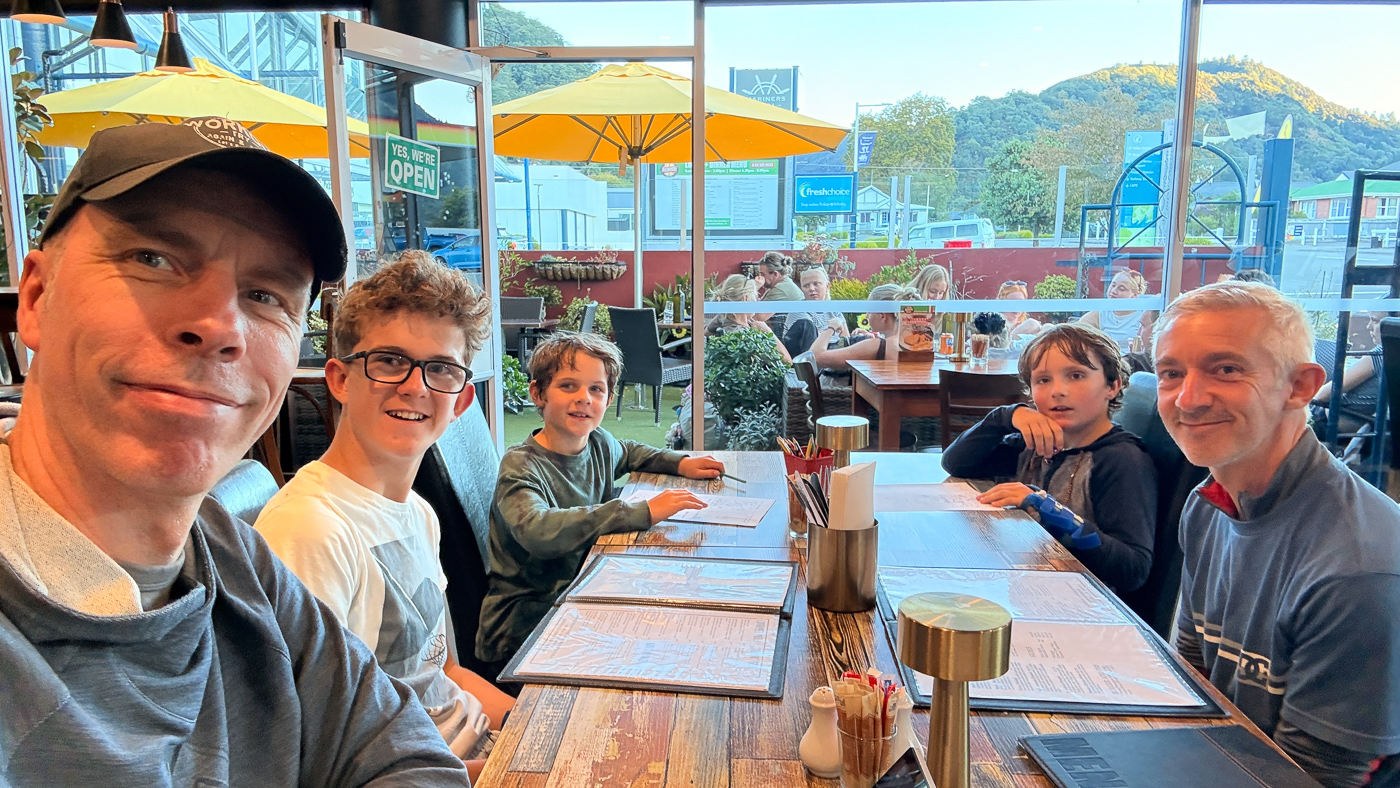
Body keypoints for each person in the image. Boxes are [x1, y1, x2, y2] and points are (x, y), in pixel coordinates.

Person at [0, 119, 470, 785]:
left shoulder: (233, 558)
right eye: (152, 259)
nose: (220, 326)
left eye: (265, 295)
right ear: (36, 298)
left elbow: (401, 746)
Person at [255, 252, 514, 781]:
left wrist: (541, 727)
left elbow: (445, 672)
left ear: (461, 401)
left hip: (477, 749)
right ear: (340, 378)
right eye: (390, 360)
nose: (416, 386)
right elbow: (316, 757)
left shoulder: (419, 513)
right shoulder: (310, 530)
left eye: (440, 368)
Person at [1154, 282, 1400, 787]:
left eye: (1226, 369)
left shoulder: (1358, 568)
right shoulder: (1206, 506)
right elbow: (1194, 678)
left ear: (1300, 386)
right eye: (1171, 373)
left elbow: (1316, 777)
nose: (1188, 399)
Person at [477, 332, 726, 676]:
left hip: (581, 590)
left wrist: (680, 463)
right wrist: (641, 511)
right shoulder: (520, 466)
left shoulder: (598, 443)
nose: (584, 398)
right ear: (538, 393)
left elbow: (630, 451)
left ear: (608, 400)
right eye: (568, 386)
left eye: (596, 389)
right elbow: (538, 531)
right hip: (524, 621)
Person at [941, 323, 1156, 593]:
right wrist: (1006, 416)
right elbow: (957, 463)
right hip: (1027, 580)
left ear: (1112, 386)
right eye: (1043, 380)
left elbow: (1132, 569)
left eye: (1076, 375)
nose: (1057, 391)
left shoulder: (1122, 460)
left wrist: (1046, 509)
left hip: (1082, 602)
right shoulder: (1034, 445)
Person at [811, 284, 917, 370]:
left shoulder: (877, 346)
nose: (866, 316)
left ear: (882, 316)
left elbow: (814, 357)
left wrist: (830, 328)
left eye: (869, 311)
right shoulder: (918, 343)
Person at [706, 274, 792, 363]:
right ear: (746, 298)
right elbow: (787, 361)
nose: (756, 302)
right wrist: (767, 332)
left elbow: (705, 335)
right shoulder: (746, 336)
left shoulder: (721, 318)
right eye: (755, 297)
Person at [1078, 269, 1153, 352]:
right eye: (1113, 285)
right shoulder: (1100, 313)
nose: (1113, 291)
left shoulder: (1143, 316)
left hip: (1133, 359)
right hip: (1107, 358)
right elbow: (1078, 332)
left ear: (1135, 295)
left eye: (1121, 289)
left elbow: (1146, 345)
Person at [782, 266, 847, 357]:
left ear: (827, 286)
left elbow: (846, 338)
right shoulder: (799, 310)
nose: (811, 289)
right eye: (806, 286)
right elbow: (814, 342)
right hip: (808, 357)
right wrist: (832, 328)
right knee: (806, 324)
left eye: (816, 284)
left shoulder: (834, 310)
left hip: (833, 355)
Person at [993, 280, 1042, 348]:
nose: (1016, 307)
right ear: (1001, 303)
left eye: (1020, 302)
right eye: (1012, 302)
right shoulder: (992, 328)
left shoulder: (1030, 328)